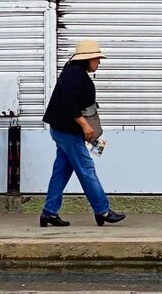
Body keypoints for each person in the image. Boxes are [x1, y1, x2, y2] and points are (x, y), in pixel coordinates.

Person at [40, 39, 125, 228]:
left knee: (61, 171)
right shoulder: (74, 74)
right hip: (67, 131)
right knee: (86, 169)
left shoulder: (75, 72)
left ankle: (49, 212)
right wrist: (85, 124)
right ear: (87, 59)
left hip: (64, 130)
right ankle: (102, 210)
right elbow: (69, 102)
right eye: (96, 58)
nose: (99, 62)